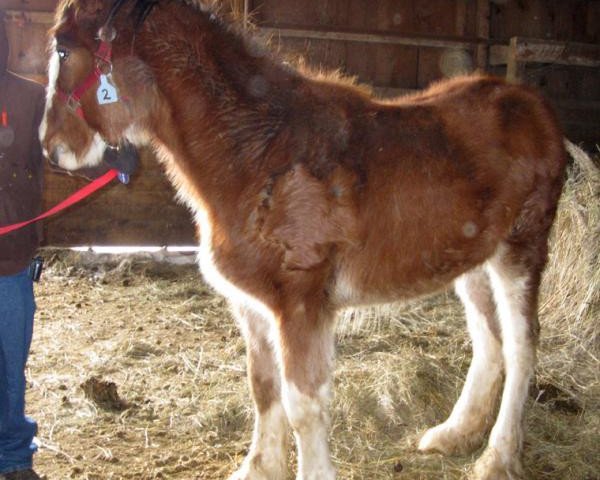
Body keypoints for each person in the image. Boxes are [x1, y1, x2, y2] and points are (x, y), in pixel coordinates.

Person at [0, 9, 46, 480]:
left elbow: (59, 148)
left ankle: (13, 459)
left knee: (12, 369)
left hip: (10, 267)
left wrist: (111, 159)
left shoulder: (31, 97)